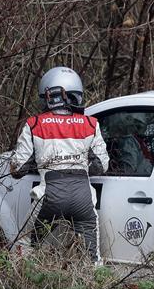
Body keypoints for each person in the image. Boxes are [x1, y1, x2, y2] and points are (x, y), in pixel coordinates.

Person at [10, 67, 109, 262]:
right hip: (83, 197)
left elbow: (17, 168)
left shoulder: (34, 124)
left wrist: (38, 162)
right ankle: (95, 287)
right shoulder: (91, 124)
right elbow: (102, 165)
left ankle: (20, 285)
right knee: (92, 259)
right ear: (75, 94)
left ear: (48, 95)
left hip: (49, 196)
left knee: (25, 246)